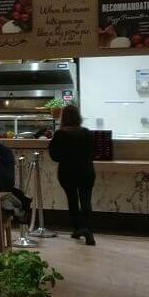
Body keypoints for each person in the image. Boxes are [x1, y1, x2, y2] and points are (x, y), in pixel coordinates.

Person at [48, 104, 96, 246]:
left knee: (73, 200)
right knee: (86, 200)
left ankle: (78, 228)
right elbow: (93, 153)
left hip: (67, 173)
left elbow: (54, 156)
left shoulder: (60, 134)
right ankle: (88, 229)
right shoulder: (87, 133)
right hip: (86, 172)